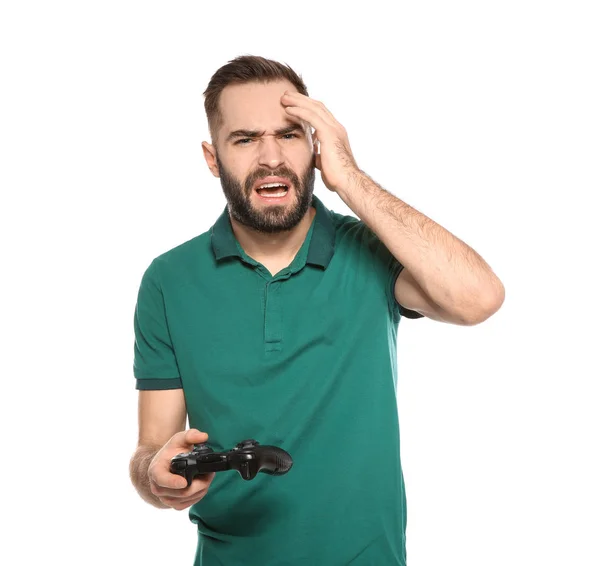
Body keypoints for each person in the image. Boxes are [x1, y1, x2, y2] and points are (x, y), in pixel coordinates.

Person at [129, 55, 505, 566]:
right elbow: (151, 447)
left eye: (288, 134)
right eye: (244, 139)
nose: (270, 158)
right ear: (212, 158)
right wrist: (155, 476)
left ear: (314, 146)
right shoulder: (168, 281)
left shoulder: (371, 252)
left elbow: (479, 297)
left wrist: (350, 177)